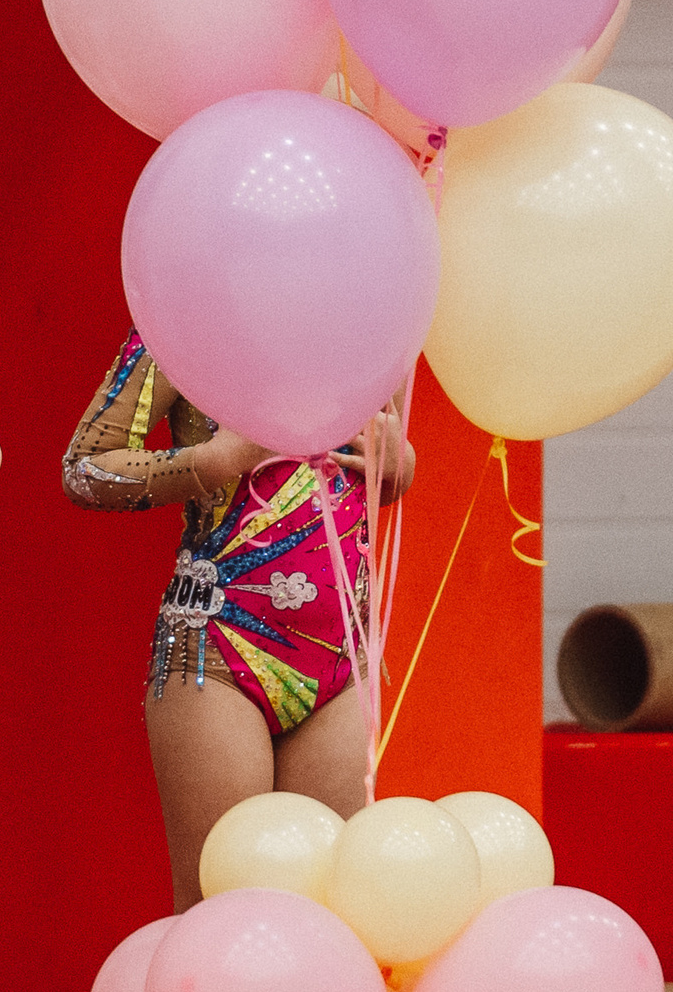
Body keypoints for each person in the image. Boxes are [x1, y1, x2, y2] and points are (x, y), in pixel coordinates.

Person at [61, 334, 413, 911]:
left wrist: (399, 466)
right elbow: (85, 470)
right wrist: (212, 460)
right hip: (219, 650)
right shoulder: (185, 314)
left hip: (342, 660)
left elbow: (377, 463)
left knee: (331, 917)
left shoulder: (366, 305)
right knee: (219, 911)